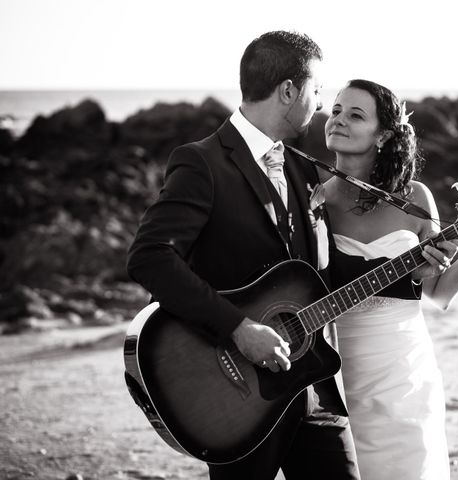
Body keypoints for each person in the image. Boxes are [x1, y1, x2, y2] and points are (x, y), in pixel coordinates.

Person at [126, 31, 362, 480]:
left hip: (310, 385)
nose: (319, 102)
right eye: (316, 90)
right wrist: (238, 327)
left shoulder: (302, 166)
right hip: (237, 398)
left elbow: (318, 269)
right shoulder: (202, 162)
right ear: (289, 91)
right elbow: (150, 257)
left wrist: (412, 265)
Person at [323, 79, 458, 480]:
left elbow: (439, 293)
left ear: (384, 135)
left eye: (355, 115)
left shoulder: (415, 198)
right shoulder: (313, 200)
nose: (338, 120)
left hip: (402, 364)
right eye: (336, 110)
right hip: (334, 367)